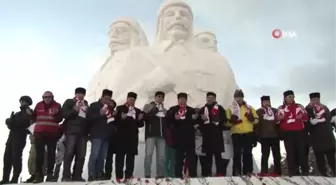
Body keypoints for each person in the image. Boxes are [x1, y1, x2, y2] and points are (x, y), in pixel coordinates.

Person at [0, 96, 33, 184]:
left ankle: (15, 178)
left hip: (20, 136)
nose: (23, 103)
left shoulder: (28, 111)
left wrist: (12, 121)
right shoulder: (17, 113)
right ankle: (5, 178)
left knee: (16, 157)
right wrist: (9, 121)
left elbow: (24, 122)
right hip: (12, 136)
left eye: (24, 101)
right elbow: (10, 125)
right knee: (7, 158)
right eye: (22, 101)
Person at [226, 89, 258, 176]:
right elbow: (226, 123)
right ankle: (236, 171)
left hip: (248, 133)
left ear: (243, 97)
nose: (239, 99)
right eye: (237, 97)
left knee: (248, 153)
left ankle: (248, 170)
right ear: (234, 98)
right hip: (236, 133)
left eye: (240, 97)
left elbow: (256, 121)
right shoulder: (230, 108)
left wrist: (252, 119)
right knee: (237, 153)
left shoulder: (249, 108)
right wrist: (231, 121)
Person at [277, 90, 309, 176]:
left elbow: (306, 117)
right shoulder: (281, 108)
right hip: (287, 133)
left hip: (299, 131)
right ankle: (293, 171)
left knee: (302, 151)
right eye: (289, 97)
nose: (291, 98)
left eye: (292, 97)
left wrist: (302, 116)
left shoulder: (299, 106)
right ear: (285, 98)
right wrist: (279, 118)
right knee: (290, 152)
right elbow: (276, 120)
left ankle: (305, 170)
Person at [32, 91, 62, 183]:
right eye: (45, 97)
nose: (47, 98)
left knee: (51, 155)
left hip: (52, 134)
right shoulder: (38, 105)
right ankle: (38, 175)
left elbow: (60, 119)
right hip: (39, 134)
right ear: (43, 98)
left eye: (49, 97)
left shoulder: (57, 105)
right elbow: (33, 117)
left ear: (52, 97)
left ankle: (49, 175)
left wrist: (56, 113)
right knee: (39, 155)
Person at [114, 92, 144, 182]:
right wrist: (121, 118)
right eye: (131, 99)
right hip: (121, 136)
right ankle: (119, 177)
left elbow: (140, 124)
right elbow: (115, 121)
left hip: (133, 136)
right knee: (120, 157)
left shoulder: (137, 110)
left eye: (134, 100)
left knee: (130, 157)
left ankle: (128, 176)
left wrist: (139, 119)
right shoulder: (120, 108)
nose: (132, 101)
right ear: (127, 99)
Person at [61, 87, 89, 181]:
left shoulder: (85, 104)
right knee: (69, 153)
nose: (81, 95)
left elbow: (87, 118)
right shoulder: (69, 102)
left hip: (83, 132)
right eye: (79, 93)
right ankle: (66, 176)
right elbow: (63, 114)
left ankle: (77, 175)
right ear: (75, 94)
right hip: (71, 131)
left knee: (81, 155)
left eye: (82, 94)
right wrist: (74, 110)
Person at [167, 92, 198, 178]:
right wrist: (174, 119)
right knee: (178, 159)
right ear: (178, 100)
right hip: (178, 139)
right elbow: (168, 123)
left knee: (191, 159)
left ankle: (193, 176)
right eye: (180, 99)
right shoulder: (173, 109)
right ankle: (178, 176)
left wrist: (195, 120)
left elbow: (196, 123)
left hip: (190, 139)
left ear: (186, 100)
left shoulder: (191, 110)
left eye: (184, 99)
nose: (182, 100)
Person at [305, 92, 336, 176]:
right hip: (316, 137)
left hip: (327, 136)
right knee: (320, 159)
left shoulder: (325, 108)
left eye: (317, 99)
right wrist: (311, 123)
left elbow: (329, 119)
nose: (315, 101)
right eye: (313, 100)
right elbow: (306, 124)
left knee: (332, 158)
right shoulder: (308, 109)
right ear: (310, 100)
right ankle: (323, 174)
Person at [86, 89, 114, 181]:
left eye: (109, 99)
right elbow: (88, 117)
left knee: (102, 156)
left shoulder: (110, 108)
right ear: (101, 97)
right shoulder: (94, 105)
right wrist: (99, 113)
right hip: (96, 134)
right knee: (94, 154)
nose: (107, 100)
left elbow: (111, 122)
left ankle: (99, 174)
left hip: (106, 135)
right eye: (106, 98)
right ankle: (91, 174)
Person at [198, 92, 227, 176]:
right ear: (206, 99)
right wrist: (201, 118)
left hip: (217, 135)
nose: (210, 99)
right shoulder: (203, 109)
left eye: (212, 98)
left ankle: (220, 173)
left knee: (218, 156)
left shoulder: (220, 108)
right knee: (208, 157)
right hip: (207, 136)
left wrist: (219, 119)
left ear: (215, 99)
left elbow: (224, 120)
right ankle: (208, 174)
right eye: (209, 97)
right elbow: (198, 123)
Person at [142, 91, 168, 178]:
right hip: (151, 135)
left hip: (161, 136)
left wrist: (167, 115)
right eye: (158, 96)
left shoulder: (164, 109)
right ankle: (147, 175)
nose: (160, 98)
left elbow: (168, 123)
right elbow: (145, 118)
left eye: (162, 97)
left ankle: (160, 175)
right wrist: (154, 110)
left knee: (161, 157)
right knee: (149, 155)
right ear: (155, 97)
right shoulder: (148, 106)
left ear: (163, 99)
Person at [256, 96, 281, 176]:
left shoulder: (275, 111)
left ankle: (277, 171)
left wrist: (280, 134)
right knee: (265, 154)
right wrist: (258, 136)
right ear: (262, 103)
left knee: (276, 155)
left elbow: (279, 123)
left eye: (268, 101)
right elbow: (256, 125)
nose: (266, 103)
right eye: (265, 102)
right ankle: (264, 171)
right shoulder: (259, 112)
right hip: (264, 136)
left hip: (275, 136)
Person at [103, 99, 118, 180]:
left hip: (113, 137)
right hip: (105, 135)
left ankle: (108, 174)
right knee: (104, 156)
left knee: (109, 157)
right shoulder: (105, 111)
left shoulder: (115, 113)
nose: (111, 104)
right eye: (110, 103)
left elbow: (117, 123)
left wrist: (115, 116)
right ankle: (104, 173)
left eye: (112, 103)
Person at [194, 106, 207, 177]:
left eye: (198, 112)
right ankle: (193, 176)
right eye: (195, 112)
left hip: (203, 144)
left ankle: (204, 176)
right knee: (193, 164)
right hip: (193, 145)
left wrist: (199, 128)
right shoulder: (191, 120)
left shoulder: (204, 120)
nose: (197, 114)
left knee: (204, 163)